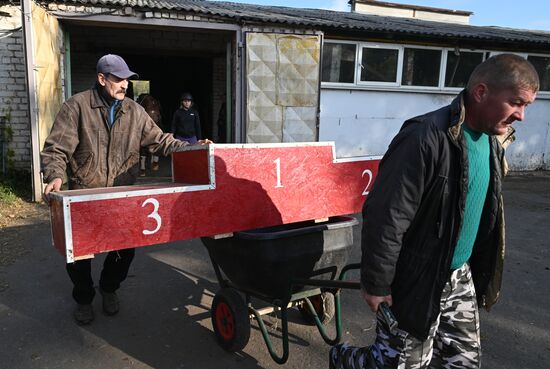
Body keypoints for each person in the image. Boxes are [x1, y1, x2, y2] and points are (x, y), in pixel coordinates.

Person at [330, 53, 539, 368]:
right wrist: (376, 283)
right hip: (416, 277)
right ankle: (344, 360)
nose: (521, 116)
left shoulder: (494, 139)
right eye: (516, 103)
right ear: (481, 92)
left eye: (526, 106)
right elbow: (387, 215)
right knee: (402, 364)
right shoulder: (424, 137)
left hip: (458, 274)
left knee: (462, 362)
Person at [41, 54, 211, 325]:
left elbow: (160, 141)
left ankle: (109, 289)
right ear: (101, 79)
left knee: (124, 250)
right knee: (79, 255)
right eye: (119, 79)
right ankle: (84, 298)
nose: (125, 85)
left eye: (127, 80)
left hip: (123, 194)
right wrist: (55, 175)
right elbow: (57, 148)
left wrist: (193, 147)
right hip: (86, 192)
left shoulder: (134, 111)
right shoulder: (77, 107)